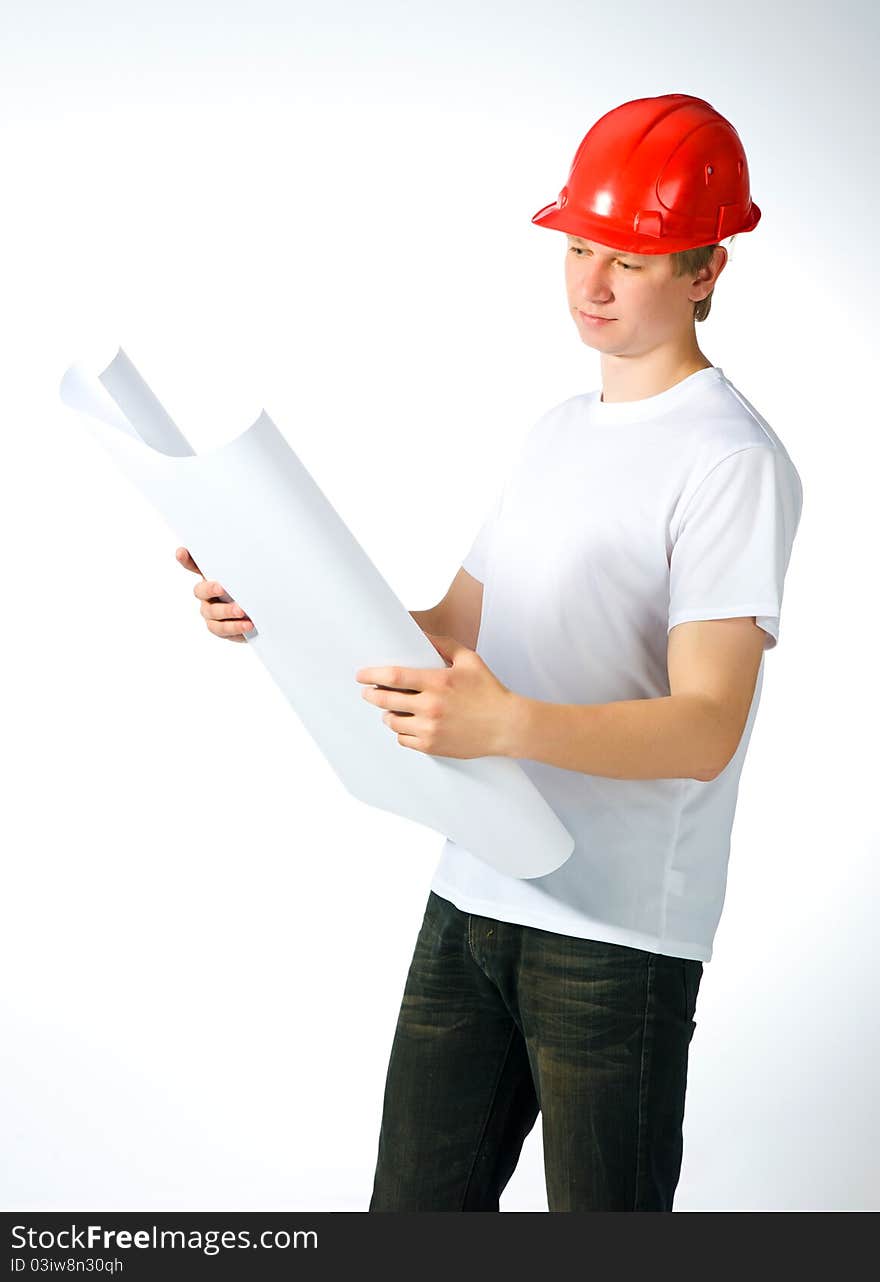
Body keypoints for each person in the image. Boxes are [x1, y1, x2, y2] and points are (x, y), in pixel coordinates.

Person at [176, 93, 804, 1212]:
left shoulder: (729, 460)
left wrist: (504, 723)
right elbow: (455, 631)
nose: (588, 285)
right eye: (574, 248)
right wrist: (274, 603)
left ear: (707, 270)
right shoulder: (555, 432)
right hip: (474, 890)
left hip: (615, 939)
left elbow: (706, 725)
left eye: (628, 258)